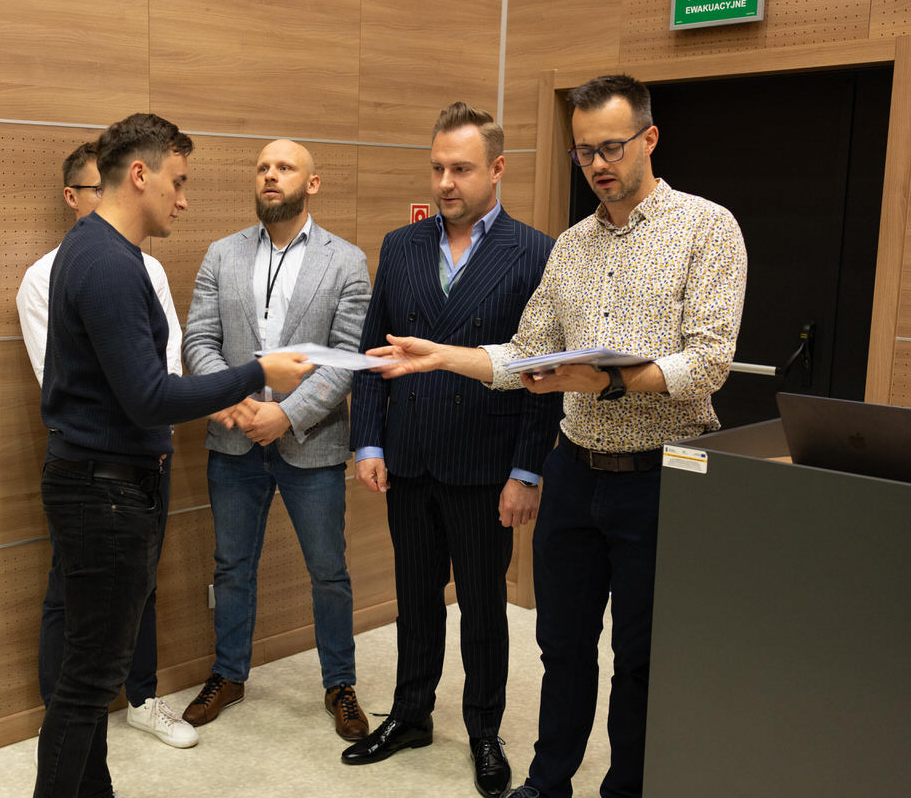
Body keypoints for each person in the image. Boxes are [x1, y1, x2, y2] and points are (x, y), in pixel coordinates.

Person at [366, 75, 748, 798]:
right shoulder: (571, 246)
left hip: (661, 477)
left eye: (611, 147)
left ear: (649, 139)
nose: (598, 164)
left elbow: (708, 362)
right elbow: (526, 353)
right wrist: (443, 356)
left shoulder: (707, 228)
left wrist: (608, 380)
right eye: (584, 152)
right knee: (562, 646)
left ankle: (626, 788)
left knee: (640, 655)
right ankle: (548, 782)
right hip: (574, 472)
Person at [32, 113, 311, 798]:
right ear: (139, 174)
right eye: (178, 182)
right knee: (87, 684)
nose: (183, 200)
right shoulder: (108, 263)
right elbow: (149, 397)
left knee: (89, 677)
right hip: (104, 494)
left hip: (98, 484)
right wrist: (256, 373)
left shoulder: (97, 251)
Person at [343, 102, 562, 798]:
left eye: (461, 169)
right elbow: (374, 354)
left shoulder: (535, 252)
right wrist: (369, 440)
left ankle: (484, 729)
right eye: (437, 167)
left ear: (497, 169)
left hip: (484, 464)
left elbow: (542, 375)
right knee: (415, 598)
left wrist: (526, 471)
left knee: (483, 608)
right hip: (409, 457)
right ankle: (410, 714)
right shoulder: (401, 245)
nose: (445, 182)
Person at [179, 139, 372, 741]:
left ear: (311, 183)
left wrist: (285, 416)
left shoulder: (346, 261)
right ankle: (228, 673)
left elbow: (346, 359)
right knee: (232, 567)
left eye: (285, 168)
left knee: (329, 571)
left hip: (312, 443)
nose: (270, 175)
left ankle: (340, 684)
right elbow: (198, 341)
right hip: (234, 439)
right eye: (263, 167)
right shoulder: (221, 254)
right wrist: (237, 402)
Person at [16, 141, 199, 749]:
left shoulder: (145, 266)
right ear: (74, 197)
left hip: (148, 452)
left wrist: (162, 418)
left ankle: (141, 698)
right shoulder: (54, 272)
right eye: (98, 189)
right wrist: (248, 379)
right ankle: (65, 714)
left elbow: (166, 357)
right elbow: (65, 378)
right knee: (69, 591)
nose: (179, 198)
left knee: (141, 579)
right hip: (95, 465)